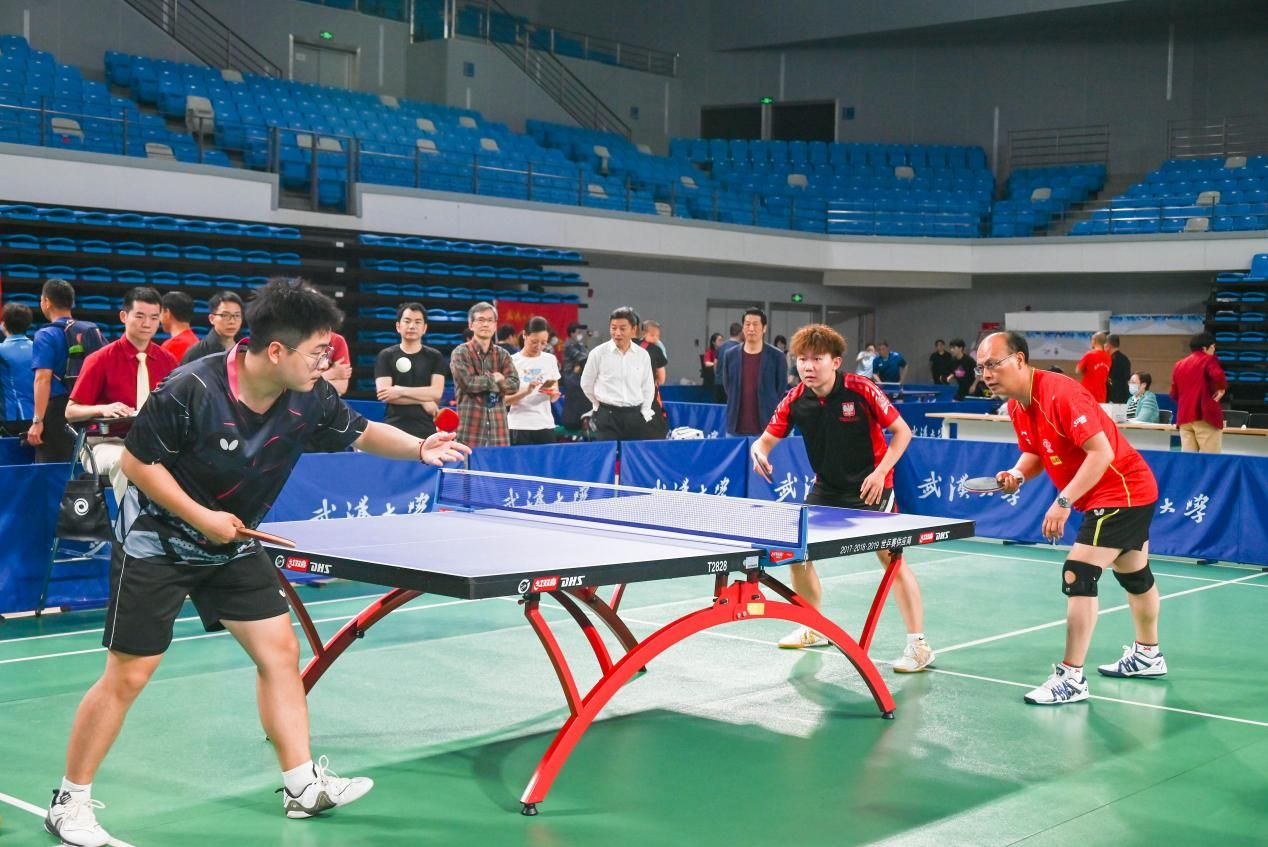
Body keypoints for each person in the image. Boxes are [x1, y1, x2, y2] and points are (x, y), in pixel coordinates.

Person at [45, 277, 470, 847]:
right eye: (317, 352)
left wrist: (419, 448)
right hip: (157, 539)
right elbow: (139, 464)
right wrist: (202, 517)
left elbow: (362, 432)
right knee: (130, 673)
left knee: (279, 651)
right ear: (276, 350)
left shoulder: (309, 395)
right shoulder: (191, 388)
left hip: (232, 539)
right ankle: (68, 802)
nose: (326, 362)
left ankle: (302, 786)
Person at [978, 331, 1165, 706]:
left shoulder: (1060, 393)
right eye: (980, 367)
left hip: (1121, 489)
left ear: (1019, 359)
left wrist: (1062, 501)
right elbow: (1036, 454)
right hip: (1123, 492)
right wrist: (1016, 474)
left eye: (993, 364)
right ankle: (1148, 655)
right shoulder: (1018, 406)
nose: (986, 374)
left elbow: (1101, 452)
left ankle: (1071, 678)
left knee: (1078, 573)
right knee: (1134, 575)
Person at [750, 324, 934, 672]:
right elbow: (764, 441)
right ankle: (812, 627)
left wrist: (881, 472)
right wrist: (758, 453)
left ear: (835, 362)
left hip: (871, 486)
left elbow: (902, 432)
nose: (808, 366)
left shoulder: (860, 390)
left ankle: (919, 645)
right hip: (827, 487)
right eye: (802, 359)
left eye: (816, 359)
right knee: (796, 552)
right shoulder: (795, 399)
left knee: (891, 559)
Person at [66, 288, 179, 503]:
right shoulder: (100, 359)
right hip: (106, 444)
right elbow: (70, 411)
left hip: (155, 443)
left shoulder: (169, 361)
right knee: (126, 462)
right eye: (140, 316)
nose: (147, 323)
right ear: (123, 316)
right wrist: (103, 409)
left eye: (154, 317)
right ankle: (129, 524)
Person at [29, 279, 100, 463]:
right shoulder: (90, 331)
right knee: (84, 466)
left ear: (46, 302)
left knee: (53, 469)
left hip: (57, 411)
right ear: (72, 302)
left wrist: (37, 421)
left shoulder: (46, 335)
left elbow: (42, 379)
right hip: (87, 406)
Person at [580, 306, 656, 441]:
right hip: (607, 416)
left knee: (632, 454)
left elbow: (648, 387)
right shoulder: (598, 353)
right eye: (613, 328)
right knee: (608, 453)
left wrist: (644, 412)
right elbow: (586, 384)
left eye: (622, 328)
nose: (617, 333)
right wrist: (598, 405)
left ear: (633, 329)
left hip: (634, 416)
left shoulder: (642, 355)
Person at [450, 302, 519, 447]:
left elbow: (514, 385)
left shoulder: (503, 354)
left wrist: (491, 383)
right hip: (470, 432)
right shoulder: (461, 352)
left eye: (490, 320)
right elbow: (468, 383)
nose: (485, 324)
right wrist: (496, 379)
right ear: (471, 325)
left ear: (495, 325)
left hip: (499, 433)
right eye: (481, 320)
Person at [374, 303, 447, 439]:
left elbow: (436, 392)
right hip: (394, 427)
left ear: (424, 328)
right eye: (407, 321)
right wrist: (423, 401)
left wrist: (399, 391)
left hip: (427, 429)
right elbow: (385, 394)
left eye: (417, 322)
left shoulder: (435, 356)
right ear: (398, 326)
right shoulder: (386, 355)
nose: (412, 326)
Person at [720, 307, 786, 437]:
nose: (751, 328)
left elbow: (780, 389)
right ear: (743, 328)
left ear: (764, 328)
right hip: (735, 429)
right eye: (747, 324)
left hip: (766, 429)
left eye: (755, 324)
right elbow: (728, 386)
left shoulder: (777, 356)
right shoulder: (730, 355)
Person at [507, 316, 562, 445]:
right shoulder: (511, 361)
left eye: (543, 343)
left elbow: (554, 395)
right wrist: (526, 392)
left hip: (545, 424)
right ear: (524, 335)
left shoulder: (550, 360)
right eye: (534, 341)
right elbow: (505, 400)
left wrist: (553, 394)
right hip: (519, 425)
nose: (538, 346)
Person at [1170, 331, 1227, 453]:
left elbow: (1174, 394)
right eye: (1213, 347)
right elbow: (1218, 375)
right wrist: (1221, 388)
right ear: (1205, 348)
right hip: (1204, 416)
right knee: (1210, 459)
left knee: (1188, 460)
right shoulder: (1208, 359)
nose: (1214, 350)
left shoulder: (1179, 364)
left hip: (1184, 418)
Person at [0, 302, 35, 434]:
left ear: (4, 324)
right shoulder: (38, 348)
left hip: (9, 419)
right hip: (37, 417)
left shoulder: (1, 351)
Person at [181, 291, 244, 364]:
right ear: (211, 319)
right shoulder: (195, 353)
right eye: (225, 315)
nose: (232, 321)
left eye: (237, 315)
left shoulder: (247, 350)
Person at [636, 319, 670, 438]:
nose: (656, 338)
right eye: (652, 335)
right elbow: (662, 379)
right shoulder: (656, 350)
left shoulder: (630, 346)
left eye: (658, 336)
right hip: (648, 395)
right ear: (644, 333)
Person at [158, 292, 199, 362]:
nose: (159, 318)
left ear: (167, 312)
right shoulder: (196, 342)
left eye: (160, 312)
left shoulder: (171, 345)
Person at [1075, 331, 1112, 403]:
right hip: (1101, 394)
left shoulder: (1089, 355)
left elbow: (1077, 370)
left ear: (1094, 341)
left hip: (1087, 392)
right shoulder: (1108, 358)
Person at [321, 331, 352, 395]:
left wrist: (314, 382)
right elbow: (301, 384)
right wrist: (332, 373)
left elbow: (342, 387)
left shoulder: (337, 340)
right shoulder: (301, 341)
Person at [1105, 334, 1131, 405]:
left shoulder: (1110, 360)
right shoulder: (1125, 359)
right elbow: (1127, 377)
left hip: (1112, 398)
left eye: (1105, 344)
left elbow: (1109, 380)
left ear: (1108, 345)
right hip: (1124, 396)